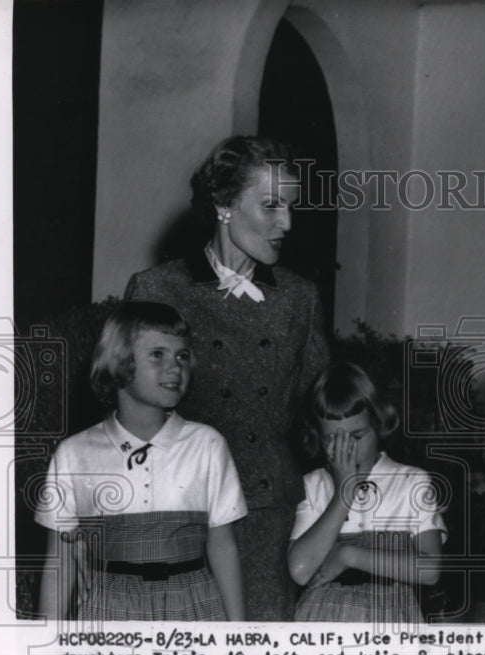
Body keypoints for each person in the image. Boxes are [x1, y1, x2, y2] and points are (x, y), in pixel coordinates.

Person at [125, 136, 331, 621]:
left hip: (268, 517)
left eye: (291, 207)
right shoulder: (159, 288)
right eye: (271, 206)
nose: (287, 223)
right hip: (181, 512)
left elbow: (322, 407)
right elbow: (130, 415)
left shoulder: (298, 298)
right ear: (222, 205)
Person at [35, 302, 246, 621]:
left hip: (193, 608)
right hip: (107, 611)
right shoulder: (74, 453)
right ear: (119, 361)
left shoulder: (207, 445)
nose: (175, 367)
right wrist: (44, 652)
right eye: (157, 354)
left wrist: (239, 638)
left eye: (182, 355)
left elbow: (223, 547)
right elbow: (60, 559)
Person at [287, 362, 445, 623]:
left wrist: (348, 556)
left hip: (390, 619)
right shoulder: (313, 485)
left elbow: (430, 570)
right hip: (322, 618)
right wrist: (344, 492)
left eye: (357, 436)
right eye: (332, 440)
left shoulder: (411, 481)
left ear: (378, 424)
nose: (346, 450)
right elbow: (300, 571)